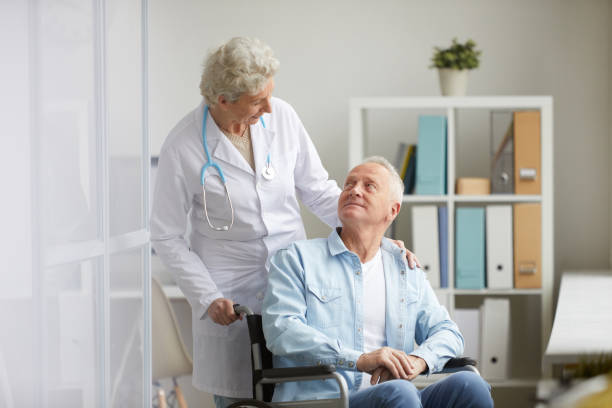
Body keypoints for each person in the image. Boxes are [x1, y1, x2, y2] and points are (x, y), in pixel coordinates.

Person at [151, 37, 420, 406]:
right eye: (257, 101)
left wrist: (377, 239)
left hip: (297, 286)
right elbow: (165, 235)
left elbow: (318, 190)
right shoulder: (183, 146)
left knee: (306, 389)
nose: (268, 108)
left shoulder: (283, 117)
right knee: (241, 398)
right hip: (233, 298)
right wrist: (207, 296)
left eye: (269, 95)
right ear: (224, 100)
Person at [262, 156, 493, 407]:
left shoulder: (405, 269)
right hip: (324, 401)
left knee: (471, 385)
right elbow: (282, 330)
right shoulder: (297, 258)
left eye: (369, 186)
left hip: (394, 397)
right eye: (349, 184)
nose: (354, 191)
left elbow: (448, 333)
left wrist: (420, 360)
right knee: (400, 392)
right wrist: (358, 359)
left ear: (392, 210)